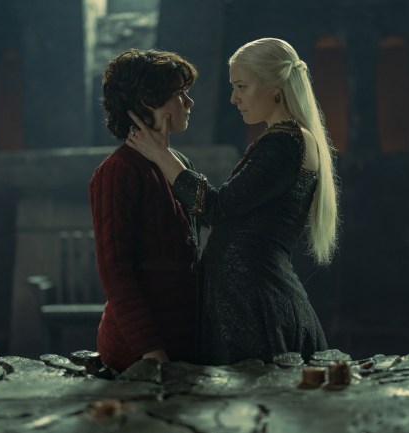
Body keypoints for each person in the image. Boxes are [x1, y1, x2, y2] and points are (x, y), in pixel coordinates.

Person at [126, 38, 339, 365]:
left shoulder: (284, 142)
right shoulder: (286, 139)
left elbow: (216, 209)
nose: (233, 98)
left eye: (241, 86)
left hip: (255, 307)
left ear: (275, 87)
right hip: (249, 300)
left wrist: (160, 154)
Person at [89, 48, 200, 372]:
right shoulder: (118, 170)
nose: (189, 103)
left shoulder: (178, 164)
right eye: (180, 94)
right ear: (149, 102)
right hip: (140, 353)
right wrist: (151, 351)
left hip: (185, 345)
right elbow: (116, 272)